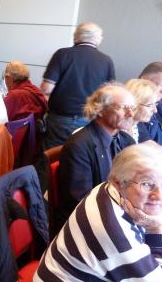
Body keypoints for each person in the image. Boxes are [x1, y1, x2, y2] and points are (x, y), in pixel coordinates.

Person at [35, 142, 162, 281]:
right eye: (146, 184)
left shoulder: (108, 188)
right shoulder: (117, 233)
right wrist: (156, 229)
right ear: (119, 182)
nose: (159, 195)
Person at [52, 84, 136, 235]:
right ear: (100, 109)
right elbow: (79, 201)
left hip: (118, 214)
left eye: (132, 107)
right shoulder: (79, 146)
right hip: (86, 227)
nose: (130, 113)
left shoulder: (126, 141)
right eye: (123, 107)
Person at [41, 22, 115, 149]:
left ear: (76, 36)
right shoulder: (106, 60)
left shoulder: (62, 54)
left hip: (61, 118)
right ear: (98, 39)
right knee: (78, 154)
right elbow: (110, 94)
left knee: (52, 154)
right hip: (90, 119)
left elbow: (47, 88)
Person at [124, 79, 159, 143]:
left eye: (155, 104)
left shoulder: (138, 124)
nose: (155, 110)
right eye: (149, 105)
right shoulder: (116, 131)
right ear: (134, 104)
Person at [138, 62, 162, 145]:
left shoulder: (159, 105)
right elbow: (147, 144)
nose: (154, 110)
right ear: (144, 80)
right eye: (159, 85)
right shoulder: (132, 108)